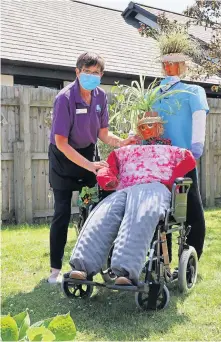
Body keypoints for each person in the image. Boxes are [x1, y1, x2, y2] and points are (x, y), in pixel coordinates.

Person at [68, 113, 196, 286]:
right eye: (143, 126)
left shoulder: (171, 150)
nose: (147, 129)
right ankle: (81, 267)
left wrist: (170, 180)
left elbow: (189, 160)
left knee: (141, 213)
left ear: (159, 127)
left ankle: (125, 271)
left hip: (155, 187)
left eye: (151, 125)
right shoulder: (125, 151)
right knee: (103, 213)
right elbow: (108, 167)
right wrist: (108, 179)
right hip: (126, 188)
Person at [48, 52, 136, 284]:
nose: (92, 76)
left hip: (88, 153)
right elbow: (61, 142)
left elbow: (103, 134)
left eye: (96, 73)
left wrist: (122, 143)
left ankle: (95, 263)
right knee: (62, 212)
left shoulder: (100, 96)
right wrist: (89, 165)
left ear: (101, 75)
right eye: (87, 72)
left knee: (97, 209)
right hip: (63, 157)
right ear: (77, 72)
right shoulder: (64, 98)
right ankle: (55, 271)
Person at [152, 54, 209, 260]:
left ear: (183, 66)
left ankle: (192, 255)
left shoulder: (193, 91)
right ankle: (159, 257)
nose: (169, 67)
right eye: (165, 63)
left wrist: (196, 148)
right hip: (157, 159)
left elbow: (199, 116)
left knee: (191, 206)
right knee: (158, 209)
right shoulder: (154, 93)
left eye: (174, 63)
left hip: (182, 158)